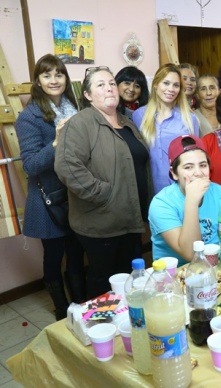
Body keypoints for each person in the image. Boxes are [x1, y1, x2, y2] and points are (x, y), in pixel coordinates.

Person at [55, 66, 150, 299]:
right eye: (100, 85)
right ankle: (100, 329)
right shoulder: (80, 123)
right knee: (104, 283)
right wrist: (104, 195)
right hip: (102, 222)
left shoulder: (127, 123)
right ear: (88, 95)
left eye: (111, 83)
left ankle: (126, 326)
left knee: (128, 280)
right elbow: (67, 166)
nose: (109, 88)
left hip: (130, 219)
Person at [15, 54, 85, 319]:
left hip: (74, 193)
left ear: (66, 79)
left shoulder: (74, 107)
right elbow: (30, 166)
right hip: (48, 198)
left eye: (59, 74)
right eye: (47, 75)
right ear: (38, 81)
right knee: (54, 256)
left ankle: (81, 304)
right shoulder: (29, 117)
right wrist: (56, 142)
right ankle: (61, 310)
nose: (54, 80)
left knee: (77, 253)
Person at [149, 135, 221, 266]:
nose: (198, 173)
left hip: (216, 268)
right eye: (188, 167)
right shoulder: (161, 204)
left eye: (203, 165)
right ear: (174, 173)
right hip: (175, 276)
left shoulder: (220, 193)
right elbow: (191, 254)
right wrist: (191, 201)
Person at [133, 63, 200, 194]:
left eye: (176, 85)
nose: (171, 89)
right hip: (149, 186)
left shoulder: (189, 118)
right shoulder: (139, 115)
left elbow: (195, 156)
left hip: (181, 186)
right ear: (156, 84)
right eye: (166, 83)